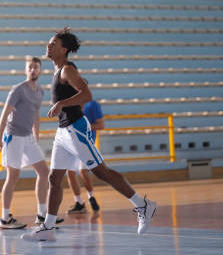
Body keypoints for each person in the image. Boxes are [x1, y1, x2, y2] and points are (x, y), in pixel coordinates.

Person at [22, 28, 156, 242]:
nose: (49, 46)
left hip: (76, 128)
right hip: (63, 131)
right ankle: (48, 227)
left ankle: (143, 205)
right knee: (54, 178)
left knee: (102, 172)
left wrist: (61, 103)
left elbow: (87, 94)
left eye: (53, 44)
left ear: (64, 49)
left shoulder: (67, 70)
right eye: (49, 43)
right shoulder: (57, 71)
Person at [0, 57, 56, 229]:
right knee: (12, 176)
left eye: (36, 67)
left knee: (44, 172)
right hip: (13, 136)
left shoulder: (40, 92)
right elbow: (5, 114)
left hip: (28, 136)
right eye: (30, 67)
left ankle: (42, 215)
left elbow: (36, 114)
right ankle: (5, 218)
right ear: (26, 70)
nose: (33, 70)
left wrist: (36, 134)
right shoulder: (18, 90)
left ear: (40, 70)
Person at [66, 100, 104, 214]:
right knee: (70, 173)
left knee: (83, 171)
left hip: (86, 143)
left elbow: (101, 125)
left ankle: (91, 196)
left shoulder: (92, 105)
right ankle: (79, 202)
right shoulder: (70, 104)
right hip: (72, 144)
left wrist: (81, 128)